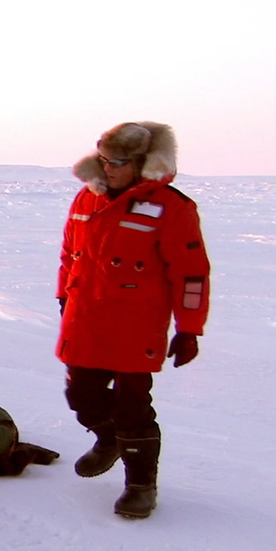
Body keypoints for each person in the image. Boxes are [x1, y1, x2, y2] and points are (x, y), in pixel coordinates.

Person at [55, 121, 211, 519]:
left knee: (132, 406)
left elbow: (191, 273)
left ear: (142, 163)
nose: (107, 168)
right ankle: (110, 438)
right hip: (85, 319)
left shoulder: (172, 208)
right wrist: (63, 295)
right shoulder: (86, 199)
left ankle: (141, 485)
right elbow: (69, 254)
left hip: (135, 325)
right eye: (103, 159)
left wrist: (189, 328)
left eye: (118, 162)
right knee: (82, 397)